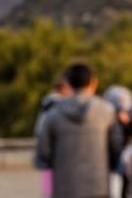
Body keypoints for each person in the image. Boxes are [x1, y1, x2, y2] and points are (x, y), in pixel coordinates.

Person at [34, 63, 124, 198]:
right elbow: (116, 148)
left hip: (64, 186)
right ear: (93, 82)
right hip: (98, 186)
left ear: (69, 83)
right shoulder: (106, 112)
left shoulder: (54, 113)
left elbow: (43, 154)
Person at [33, 75, 71, 198]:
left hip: (47, 147)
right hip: (56, 149)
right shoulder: (57, 105)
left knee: (48, 183)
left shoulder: (47, 104)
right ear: (64, 89)